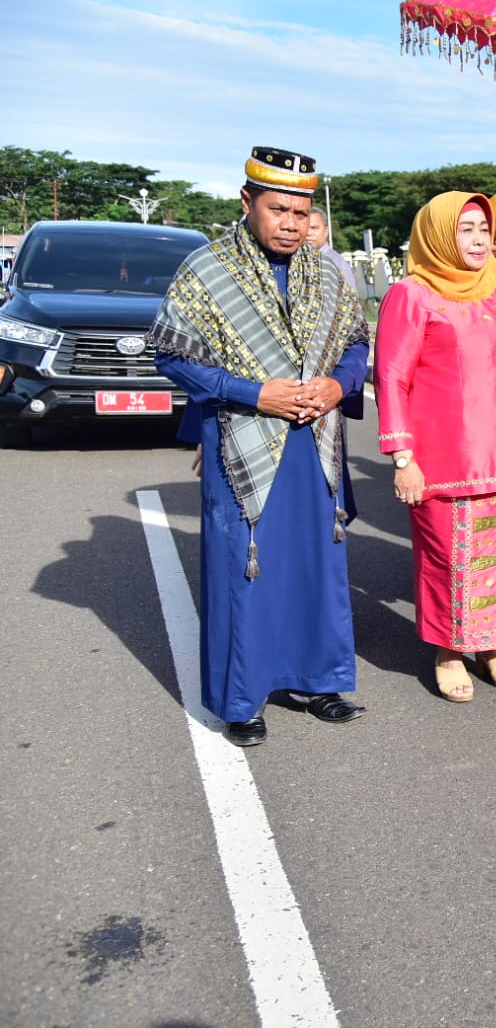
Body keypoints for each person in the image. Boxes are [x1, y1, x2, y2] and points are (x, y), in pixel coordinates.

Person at [150, 146, 369, 747]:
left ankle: (321, 681)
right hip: (242, 439)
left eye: (301, 212)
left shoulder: (327, 270)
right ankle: (241, 699)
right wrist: (253, 393)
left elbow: (355, 345)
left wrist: (339, 383)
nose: (292, 224)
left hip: (317, 439)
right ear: (247, 203)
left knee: (317, 563)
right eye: (279, 210)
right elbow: (171, 353)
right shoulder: (206, 268)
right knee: (244, 565)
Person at [375, 192, 496, 702]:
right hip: (439, 459)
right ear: (437, 235)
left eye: (484, 229)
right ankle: (448, 650)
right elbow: (391, 377)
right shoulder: (413, 295)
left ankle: (492, 645)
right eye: (466, 230)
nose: (479, 240)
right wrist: (402, 458)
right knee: (446, 558)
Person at [307, 206, 359, 294]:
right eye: (305, 228)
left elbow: (352, 303)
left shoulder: (337, 264)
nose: (308, 233)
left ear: (326, 231)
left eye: (314, 228)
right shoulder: (299, 259)